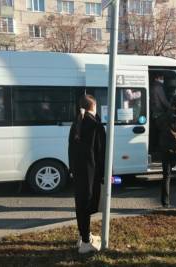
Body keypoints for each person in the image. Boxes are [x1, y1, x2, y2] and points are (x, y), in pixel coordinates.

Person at [68, 94, 106, 254]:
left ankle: (84, 235)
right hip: (91, 173)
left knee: (81, 205)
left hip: (79, 172)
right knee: (87, 205)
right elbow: (102, 153)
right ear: (94, 106)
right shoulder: (95, 125)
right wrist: (106, 174)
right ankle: (85, 243)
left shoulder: (77, 123)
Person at [149, 74, 171, 154]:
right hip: (158, 113)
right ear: (157, 78)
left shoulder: (153, 86)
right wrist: (172, 107)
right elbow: (164, 101)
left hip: (153, 112)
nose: (163, 80)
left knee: (154, 133)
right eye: (162, 78)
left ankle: (153, 149)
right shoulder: (158, 87)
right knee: (162, 133)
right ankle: (159, 151)